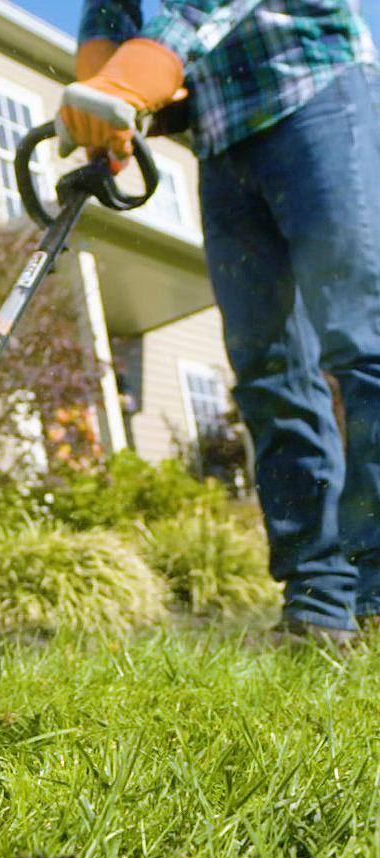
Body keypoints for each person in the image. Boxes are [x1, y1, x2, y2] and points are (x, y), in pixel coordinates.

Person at [60, 1, 380, 643]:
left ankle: (377, 593)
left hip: (311, 87)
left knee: (363, 343)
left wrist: (134, 76)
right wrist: (102, 91)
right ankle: (318, 606)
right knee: (268, 371)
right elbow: (110, 9)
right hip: (218, 134)